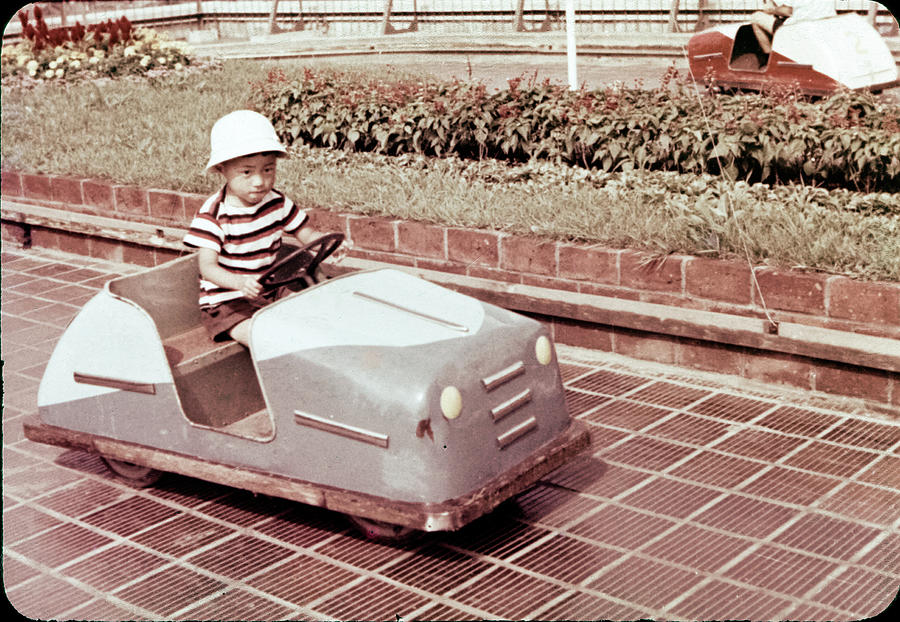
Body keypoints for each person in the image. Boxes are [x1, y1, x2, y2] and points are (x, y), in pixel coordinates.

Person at [183, 109, 330, 346]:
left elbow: (306, 233)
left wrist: (324, 243)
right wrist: (239, 283)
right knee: (263, 337)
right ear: (222, 168)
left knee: (311, 316)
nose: (260, 181)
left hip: (269, 288)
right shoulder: (214, 215)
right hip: (228, 300)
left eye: (268, 169)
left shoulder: (276, 202)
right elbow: (208, 267)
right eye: (247, 172)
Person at [751, 0, 836, 54]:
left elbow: (787, 11)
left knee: (756, 17)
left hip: (799, 30)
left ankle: (768, 58)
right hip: (825, 27)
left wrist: (771, 9)